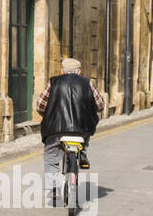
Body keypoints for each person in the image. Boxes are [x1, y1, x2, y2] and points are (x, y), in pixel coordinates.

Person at [35, 57, 105, 200]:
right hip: (81, 129)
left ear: (62, 71)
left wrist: (49, 115)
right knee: (82, 143)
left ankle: (54, 189)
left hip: (56, 129)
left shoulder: (54, 82)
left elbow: (40, 105)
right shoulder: (87, 83)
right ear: (79, 72)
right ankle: (82, 151)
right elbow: (100, 105)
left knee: (51, 158)